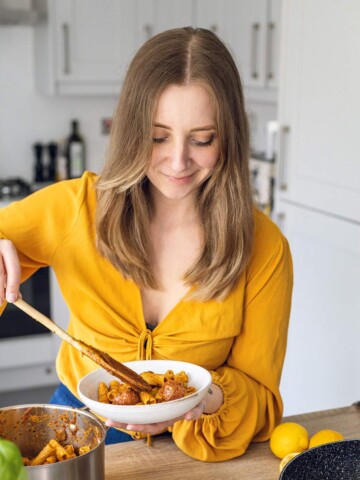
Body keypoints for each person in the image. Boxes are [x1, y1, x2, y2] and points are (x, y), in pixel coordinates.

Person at [0, 27, 293, 461]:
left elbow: (261, 403)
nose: (178, 161)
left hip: (195, 448)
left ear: (229, 136)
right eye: (158, 137)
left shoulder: (265, 249)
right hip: (76, 434)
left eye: (202, 139)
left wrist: (197, 401)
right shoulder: (75, 209)